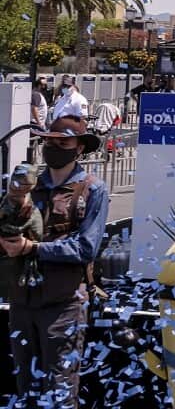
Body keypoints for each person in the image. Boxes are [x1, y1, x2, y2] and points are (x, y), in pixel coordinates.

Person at [4, 115, 108, 409]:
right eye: (50, 141)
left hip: (63, 307)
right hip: (23, 303)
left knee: (60, 392)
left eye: (63, 142)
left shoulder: (93, 189)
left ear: (79, 148)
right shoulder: (27, 183)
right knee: (27, 389)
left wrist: (32, 248)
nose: (54, 147)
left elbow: (86, 247)